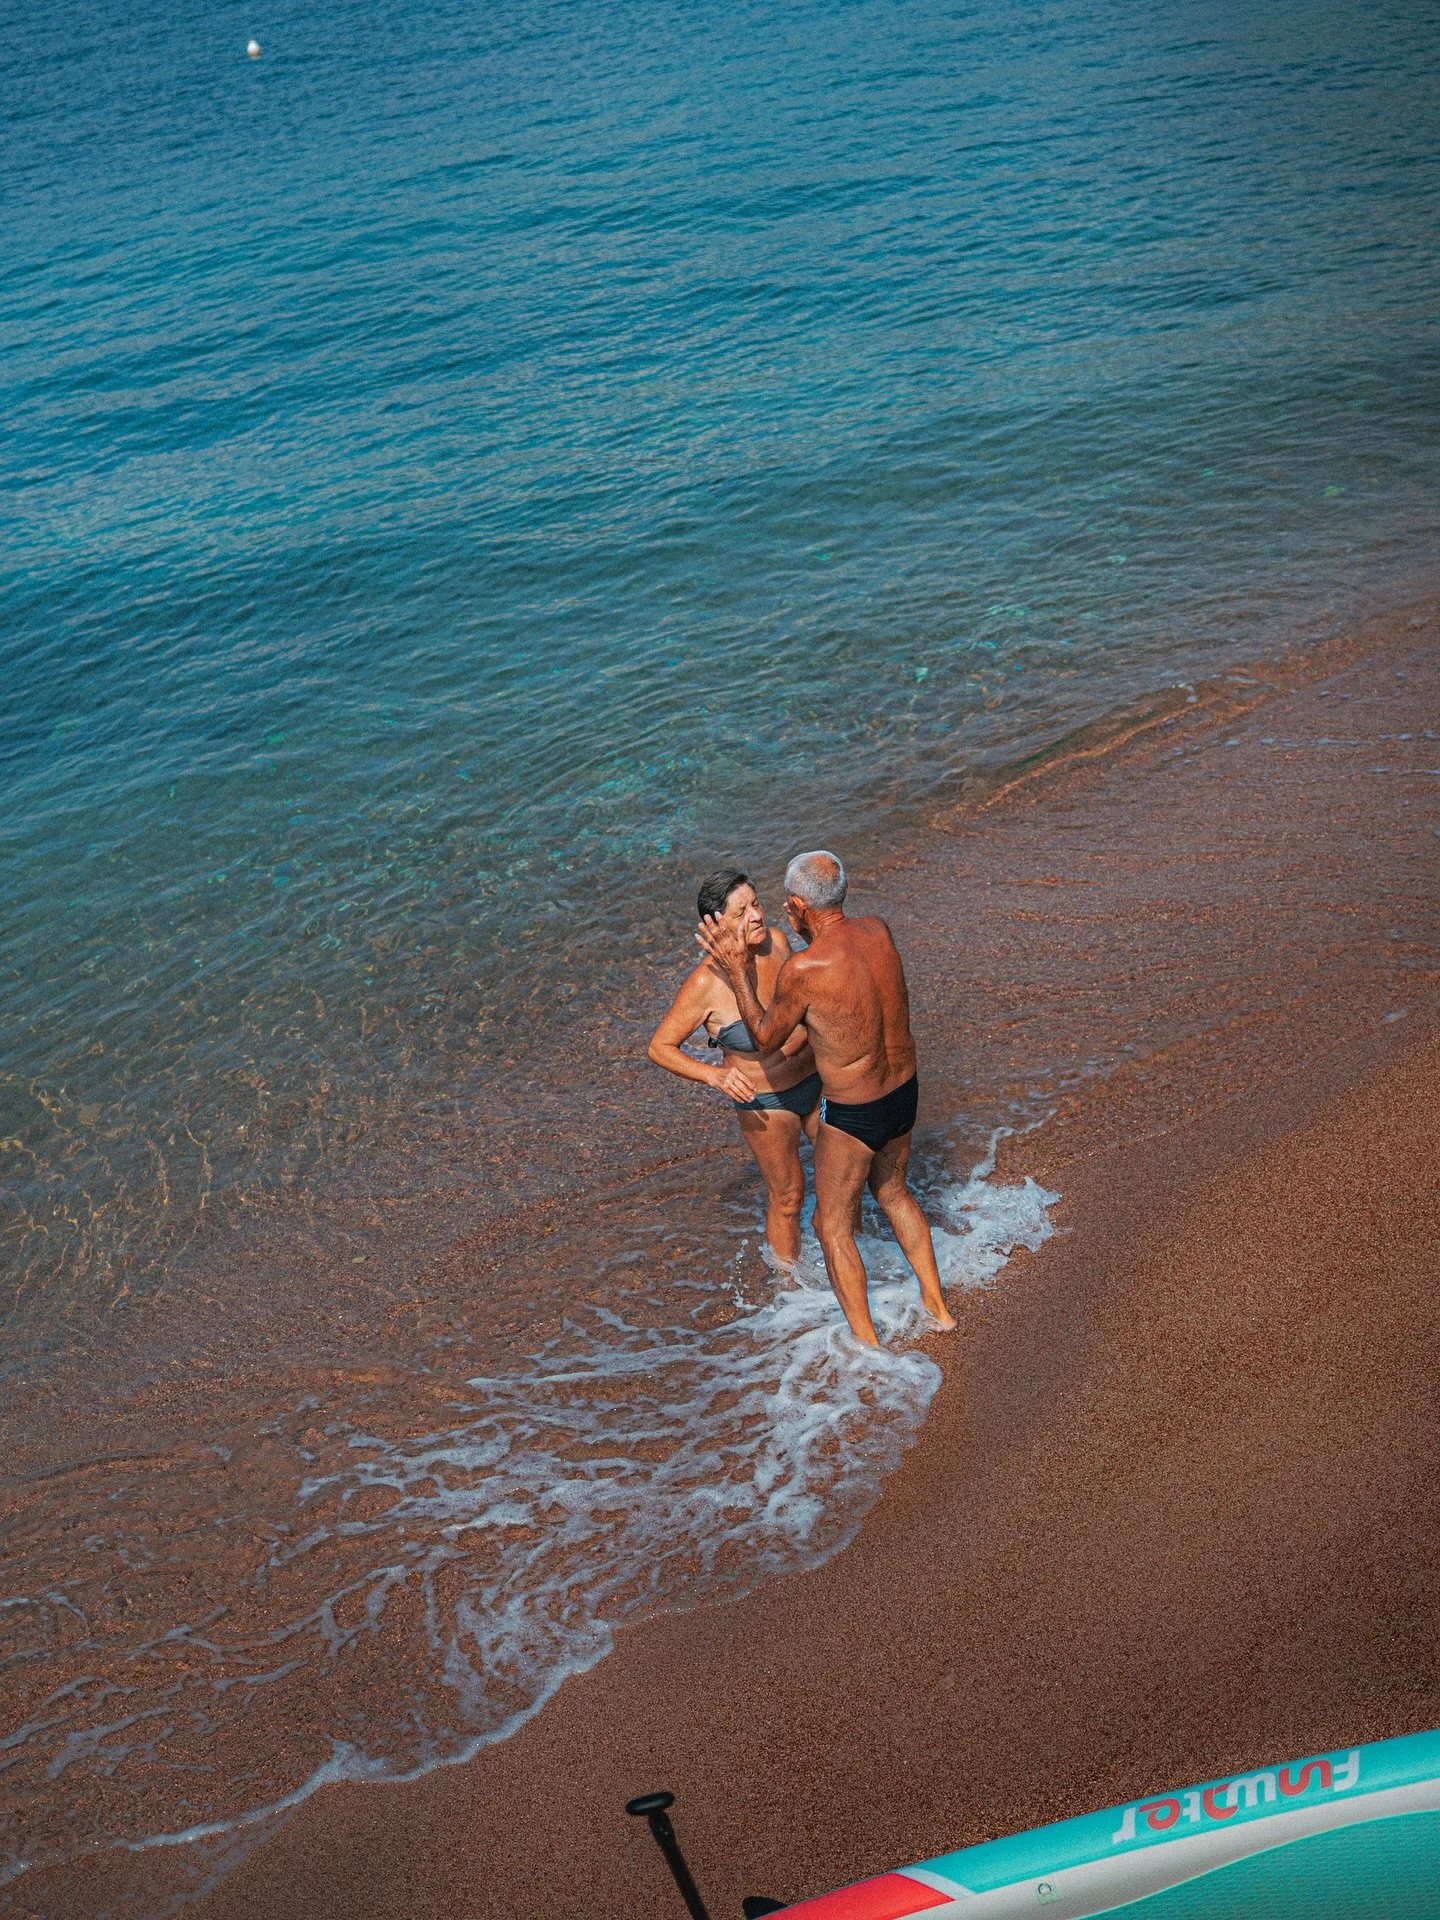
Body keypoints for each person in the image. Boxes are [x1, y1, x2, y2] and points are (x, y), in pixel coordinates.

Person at [695, 849, 955, 1347]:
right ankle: (938, 1308)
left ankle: (870, 1347)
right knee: (896, 1192)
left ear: (797, 906)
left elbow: (767, 1038)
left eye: (784, 908)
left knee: (830, 1226)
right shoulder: (879, 932)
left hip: (856, 1111)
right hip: (904, 1093)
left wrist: (734, 972)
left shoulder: (804, 968)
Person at [648, 869, 823, 1268]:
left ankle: (856, 1256)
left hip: (816, 1082)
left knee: (841, 1178)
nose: (757, 916)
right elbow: (659, 1047)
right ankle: (792, 1292)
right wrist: (715, 1075)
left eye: (756, 904)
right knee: (789, 1196)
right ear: (716, 926)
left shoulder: (777, 944)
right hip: (764, 1102)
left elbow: (809, 1002)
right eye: (741, 912)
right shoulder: (704, 985)